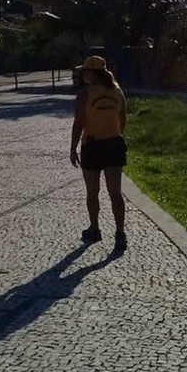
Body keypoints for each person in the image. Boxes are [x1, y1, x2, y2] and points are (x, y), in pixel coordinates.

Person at [70, 55, 128, 250]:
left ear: (92, 73)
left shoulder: (84, 94)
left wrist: (73, 147)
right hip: (114, 144)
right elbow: (123, 118)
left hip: (92, 146)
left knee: (93, 192)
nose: (83, 75)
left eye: (85, 71)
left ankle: (95, 229)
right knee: (115, 192)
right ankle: (120, 233)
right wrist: (114, 133)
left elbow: (79, 123)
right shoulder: (117, 91)